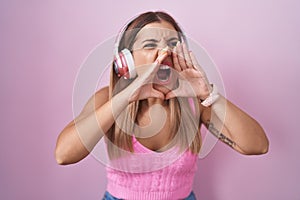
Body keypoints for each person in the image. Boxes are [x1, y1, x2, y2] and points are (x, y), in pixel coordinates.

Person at [55, 11, 269, 200]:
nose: (165, 52)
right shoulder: (106, 99)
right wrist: (125, 96)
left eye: (173, 44)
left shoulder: (197, 103)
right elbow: (63, 155)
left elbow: (257, 145)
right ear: (126, 60)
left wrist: (208, 94)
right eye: (150, 45)